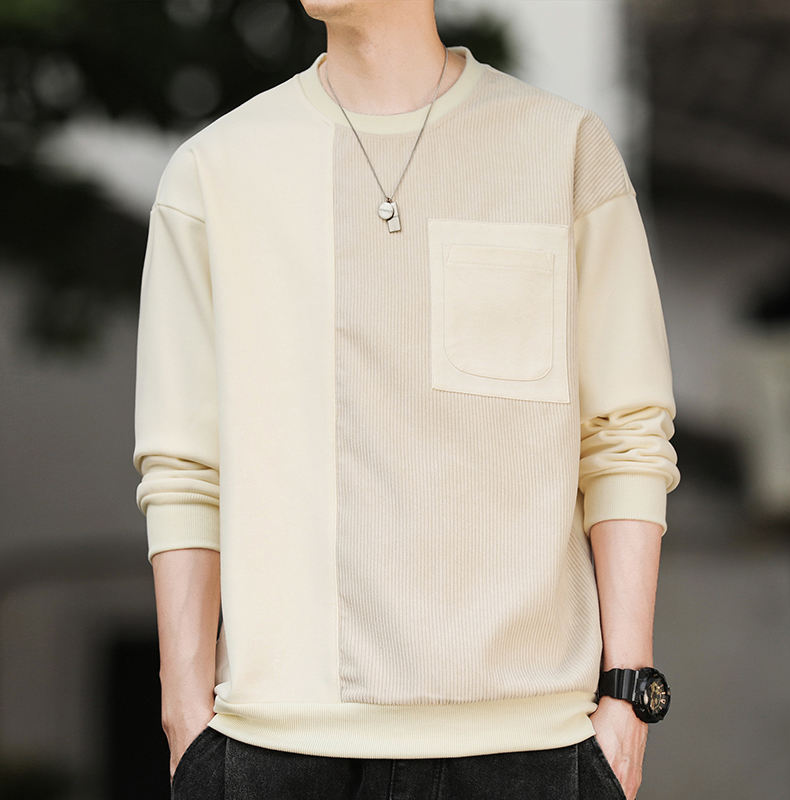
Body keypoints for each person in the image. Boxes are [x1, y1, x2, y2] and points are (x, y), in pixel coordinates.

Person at [132, 2, 680, 798]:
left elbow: (624, 435)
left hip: (529, 744)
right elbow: (184, 466)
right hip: (277, 743)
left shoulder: (561, 147)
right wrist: (184, 715)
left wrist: (628, 695)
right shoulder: (216, 170)